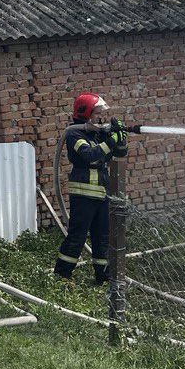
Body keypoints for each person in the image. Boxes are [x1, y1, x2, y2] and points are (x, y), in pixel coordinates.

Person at [55, 92, 127, 283]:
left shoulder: (98, 134)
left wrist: (120, 140)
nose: (100, 117)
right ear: (85, 113)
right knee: (77, 237)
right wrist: (110, 140)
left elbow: (118, 153)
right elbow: (89, 155)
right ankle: (62, 275)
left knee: (102, 237)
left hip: (102, 194)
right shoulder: (74, 134)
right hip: (83, 194)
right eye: (96, 113)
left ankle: (102, 276)